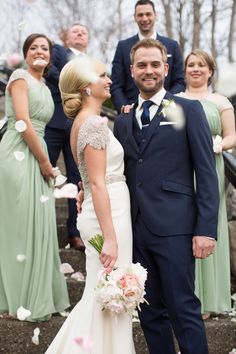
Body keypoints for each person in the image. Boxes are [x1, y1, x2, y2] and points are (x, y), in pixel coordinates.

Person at [113, 39, 219, 354]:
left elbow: (206, 172)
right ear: (131, 70)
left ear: (166, 68)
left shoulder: (186, 109)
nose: (149, 71)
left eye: (155, 64)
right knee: (149, 313)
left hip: (176, 228)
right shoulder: (122, 121)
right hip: (135, 230)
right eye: (142, 65)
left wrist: (206, 228)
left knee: (183, 309)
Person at [45, 56, 135, 354]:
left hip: (103, 208)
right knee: (108, 296)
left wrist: (86, 189)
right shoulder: (93, 123)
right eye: (102, 76)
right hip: (109, 214)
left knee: (105, 296)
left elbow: (87, 177)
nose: (109, 80)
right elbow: (96, 182)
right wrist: (109, 237)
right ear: (85, 87)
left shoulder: (81, 122)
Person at [0, 33, 69, 321]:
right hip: (18, 154)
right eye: (34, 47)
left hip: (38, 152)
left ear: (50, 56)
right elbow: (22, 122)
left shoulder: (44, 84)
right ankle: (14, 299)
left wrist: (44, 160)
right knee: (19, 227)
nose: (39, 51)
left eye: (45, 48)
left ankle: (37, 294)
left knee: (39, 224)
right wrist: (45, 160)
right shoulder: (19, 77)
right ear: (26, 54)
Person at [178, 49, 236, 317]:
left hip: (210, 167)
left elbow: (231, 137)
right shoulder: (174, 101)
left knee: (208, 225)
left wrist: (217, 144)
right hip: (180, 168)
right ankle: (185, 294)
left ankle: (208, 298)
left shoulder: (220, 101)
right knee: (183, 226)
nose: (196, 69)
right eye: (191, 65)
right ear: (185, 70)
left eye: (201, 65)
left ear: (210, 71)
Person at [45, 23, 89, 251]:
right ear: (67, 37)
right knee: (45, 172)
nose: (79, 33)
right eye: (75, 31)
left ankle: (74, 232)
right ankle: (41, 227)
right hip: (54, 122)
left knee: (76, 178)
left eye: (83, 31)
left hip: (76, 126)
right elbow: (51, 72)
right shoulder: (60, 51)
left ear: (88, 40)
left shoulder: (91, 63)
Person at [111, 0, 185, 113]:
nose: (144, 19)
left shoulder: (172, 45)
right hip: (132, 111)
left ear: (155, 15)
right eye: (140, 15)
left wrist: (166, 103)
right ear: (134, 17)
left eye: (148, 14)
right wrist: (125, 108)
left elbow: (179, 81)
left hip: (165, 111)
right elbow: (116, 84)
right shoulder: (123, 47)